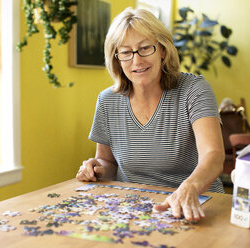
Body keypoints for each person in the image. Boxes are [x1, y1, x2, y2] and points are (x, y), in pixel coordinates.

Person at [76, 7, 225, 222]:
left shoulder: (194, 89)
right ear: (116, 58)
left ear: (163, 50)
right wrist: (96, 169)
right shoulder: (107, 100)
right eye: (126, 52)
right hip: (134, 210)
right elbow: (107, 163)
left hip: (197, 206)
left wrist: (190, 187)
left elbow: (214, 156)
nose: (136, 61)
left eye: (145, 48)